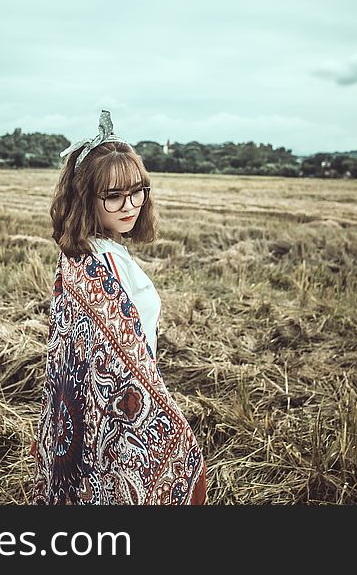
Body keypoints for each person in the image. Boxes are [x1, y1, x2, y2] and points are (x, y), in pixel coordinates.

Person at [30, 110, 207, 505]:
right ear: (84, 198)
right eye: (113, 195)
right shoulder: (98, 263)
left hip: (103, 413)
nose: (130, 205)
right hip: (118, 414)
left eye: (137, 191)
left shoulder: (85, 256)